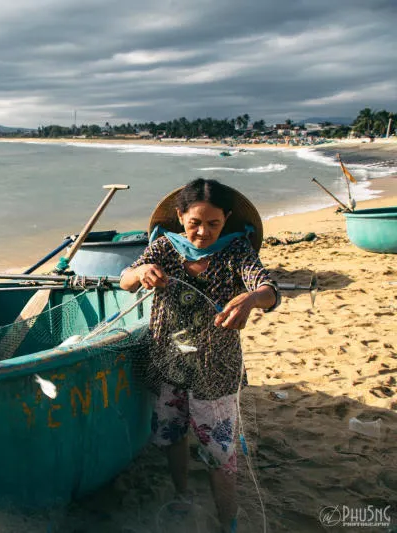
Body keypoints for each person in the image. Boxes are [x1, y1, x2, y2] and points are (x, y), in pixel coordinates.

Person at [119, 179, 279, 533]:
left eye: (213, 224)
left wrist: (252, 299)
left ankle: (227, 521)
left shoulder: (237, 252)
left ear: (227, 220)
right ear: (179, 217)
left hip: (215, 369)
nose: (203, 232)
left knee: (220, 453)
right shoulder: (163, 247)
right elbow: (124, 280)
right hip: (166, 362)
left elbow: (268, 288)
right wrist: (140, 272)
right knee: (172, 434)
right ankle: (182, 494)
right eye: (194, 223)